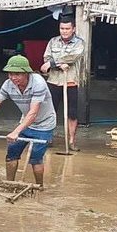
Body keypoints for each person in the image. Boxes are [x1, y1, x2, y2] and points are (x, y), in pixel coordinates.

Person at [0, 55, 56, 185]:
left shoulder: (38, 83)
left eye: (17, 74)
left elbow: (33, 112)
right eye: (10, 74)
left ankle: (39, 186)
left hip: (44, 124)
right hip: (25, 122)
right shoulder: (8, 85)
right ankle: (9, 184)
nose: (13, 78)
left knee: (36, 158)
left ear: (26, 73)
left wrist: (16, 132)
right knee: (11, 153)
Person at [40, 19, 85, 151]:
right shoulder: (53, 41)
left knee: (72, 113)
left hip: (71, 81)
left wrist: (53, 64)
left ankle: (71, 141)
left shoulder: (79, 43)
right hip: (54, 80)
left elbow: (73, 57)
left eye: (67, 29)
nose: (64, 31)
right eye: (62, 29)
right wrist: (58, 64)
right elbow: (46, 58)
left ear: (73, 29)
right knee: (50, 111)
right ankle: (48, 138)